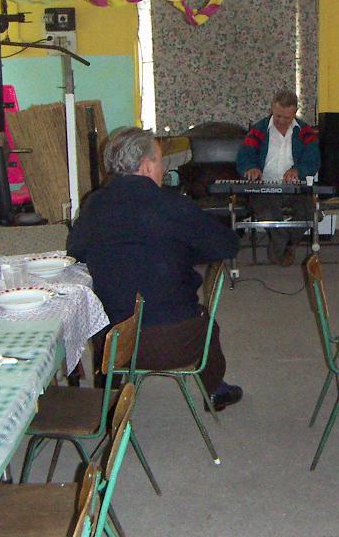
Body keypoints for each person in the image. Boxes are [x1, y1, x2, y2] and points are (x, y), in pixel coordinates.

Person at [68, 127, 243, 411]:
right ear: (147, 165)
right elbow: (227, 245)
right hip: (174, 342)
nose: (163, 169)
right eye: (161, 161)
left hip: (113, 344)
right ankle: (215, 389)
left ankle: (110, 394)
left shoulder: (94, 204)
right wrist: (183, 251)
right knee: (207, 324)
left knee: (110, 310)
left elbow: (76, 251)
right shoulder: (174, 205)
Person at [236, 90, 320, 266]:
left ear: (295, 112)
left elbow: (313, 161)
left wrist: (298, 171)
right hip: (264, 186)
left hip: (295, 187)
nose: (281, 121)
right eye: (278, 116)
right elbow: (244, 157)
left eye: (286, 117)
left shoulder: (305, 132)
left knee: (309, 211)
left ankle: (285, 244)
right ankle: (285, 246)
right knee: (267, 212)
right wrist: (251, 168)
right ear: (272, 109)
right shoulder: (258, 130)